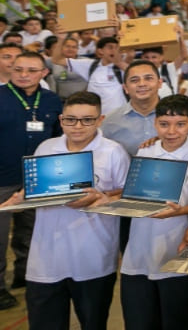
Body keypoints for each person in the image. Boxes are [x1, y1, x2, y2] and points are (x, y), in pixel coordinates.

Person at [0, 91, 129, 330]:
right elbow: (34, 189)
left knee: (93, 322)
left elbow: (126, 192)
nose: (78, 126)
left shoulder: (113, 152)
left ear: (100, 120)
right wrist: (20, 197)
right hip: (46, 257)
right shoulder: (46, 148)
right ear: (61, 120)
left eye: (87, 120)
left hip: (93, 257)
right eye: (71, 119)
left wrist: (101, 197)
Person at [120, 94, 188, 330]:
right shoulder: (145, 152)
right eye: (164, 124)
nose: (171, 131)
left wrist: (180, 212)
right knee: (139, 319)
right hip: (138, 250)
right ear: (156, 123)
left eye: (180, 124)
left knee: (177, 318)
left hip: (175, 247)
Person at [0, 52, 62, 310]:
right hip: (2, 178)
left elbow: (60, 138)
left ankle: (25, 276)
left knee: (32, 233)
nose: (24, 74)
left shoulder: (52, 100)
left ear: (43, 73)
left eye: (31, 70)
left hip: (39, 178)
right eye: (18, 69)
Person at [51, 35, 129, 116]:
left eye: (116, 48)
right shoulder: (89, 65)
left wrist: (119, 63)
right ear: (100, 51)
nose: (114, 51)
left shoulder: (123, 68)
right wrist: (60, 40)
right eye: (110, 47)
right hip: (94, 116)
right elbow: (57, 60)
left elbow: (136, 73)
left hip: (119, 116)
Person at [101, 60, 162, 155]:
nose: (142, 84)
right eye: (134, 80)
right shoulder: (110, 121)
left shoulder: (178, 116)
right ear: (125, 88)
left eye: (148, 78)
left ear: (159, 83)